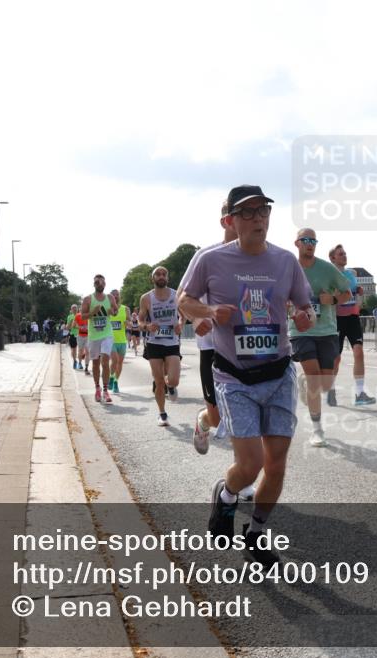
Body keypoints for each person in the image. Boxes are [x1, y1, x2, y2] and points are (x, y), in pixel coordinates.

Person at [178, 184, 314, 567]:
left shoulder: (286, 261)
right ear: (231, 220)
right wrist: (206, 313)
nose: (258, 219)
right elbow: (184, 301)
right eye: (248, 213)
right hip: (234, 377)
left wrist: (305, 316)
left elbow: (306, 307)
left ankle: (256, 533)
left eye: (263, 211)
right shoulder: (210, 259)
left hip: (278, 373)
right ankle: (226, 494)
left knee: (276, 463)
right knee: (250, 464)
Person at [181, 200, 238, 453]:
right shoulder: (206, 256)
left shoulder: (264, 258)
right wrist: (196, 318)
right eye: (241, 213)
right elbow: (180, 297)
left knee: (246, 418)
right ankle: (204, 420)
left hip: (246, 348)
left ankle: (244, 484)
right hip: (212, 348)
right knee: (217, 418)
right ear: (225, 220)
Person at [290, 228, 352, 447]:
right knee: (315, 378)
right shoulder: (289, 268)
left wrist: (333, 300)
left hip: (326, 330)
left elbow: (347, 294)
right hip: (300, 331)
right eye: (306, 240)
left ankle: (307, 384)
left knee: (325, 384)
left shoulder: (327, 269)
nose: (310, 243)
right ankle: (317, 430)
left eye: (313, 240)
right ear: (297, 243)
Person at [328, 244, 376, 407]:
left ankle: (359, 393)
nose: (344, 256)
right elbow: (329, 296)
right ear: (333, 258)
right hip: (337, 319)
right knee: (336, 358)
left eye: (345, 253)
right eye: (340, 254)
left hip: (353, 317)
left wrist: (359, 290)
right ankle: (331, 390)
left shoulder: (352, 274)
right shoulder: (329, 274)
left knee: (359, 352)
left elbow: (355, 291)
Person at [139, 266, 182, 426]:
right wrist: (147, 326)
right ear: (153, 278)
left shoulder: (176, 294)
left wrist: (180, 324)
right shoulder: (146, 298)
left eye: (164, 274)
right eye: (158, 274)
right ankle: (162, 413)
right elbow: (140, 320)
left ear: (168, 278)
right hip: (154, 342)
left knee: (175, 380)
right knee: (158, 381)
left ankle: (170, 386)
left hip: (172, 341)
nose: (161, 276)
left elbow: (183, 315)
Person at [82, 274, 118, 403]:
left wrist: (112, 312)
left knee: (105, 360)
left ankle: (105, 390)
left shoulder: (110, 297)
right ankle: (97, 388)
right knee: (96, 363)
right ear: (94, 284)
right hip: (94, 336)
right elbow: (83, 316)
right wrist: (93, 312)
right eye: (97, 282)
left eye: (102, 282)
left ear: (105, 284)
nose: (100, 284)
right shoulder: (87, 299)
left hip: (107, 334)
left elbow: (116, 311)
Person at [108, 289, 129, 394]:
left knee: (120, 363)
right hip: (110, 340)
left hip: (122, 340)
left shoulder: (125, 309)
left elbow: (129, 321)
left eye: (117, 295)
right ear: (110, 297)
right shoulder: (107, 309)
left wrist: (127, 323)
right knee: (115, 360)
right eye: (113, 295)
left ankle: (116, 382)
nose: (115, 296)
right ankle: (111, 377)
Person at [75, 306, 90, 375]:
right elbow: (74, 325)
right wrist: (80, 327)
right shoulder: (77, 316)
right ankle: (80, 363)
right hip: (80, 336)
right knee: (80, 350)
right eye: (81, 310)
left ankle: (86, 367)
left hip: (88, 336)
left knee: (87, 351)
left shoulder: (89, 316)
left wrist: (88, 327)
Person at [66, 305, 81, 369]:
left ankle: (80, 362)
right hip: (73, 334)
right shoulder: (70, 317)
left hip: (81, 334)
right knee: (73, 350)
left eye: (75, 308)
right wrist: (70, 323)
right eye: (73, 309)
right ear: (71, 310)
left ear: (77, 309)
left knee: (81, 350)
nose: (74, 310)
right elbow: (67, 327)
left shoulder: (81, 315)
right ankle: (75, 361)